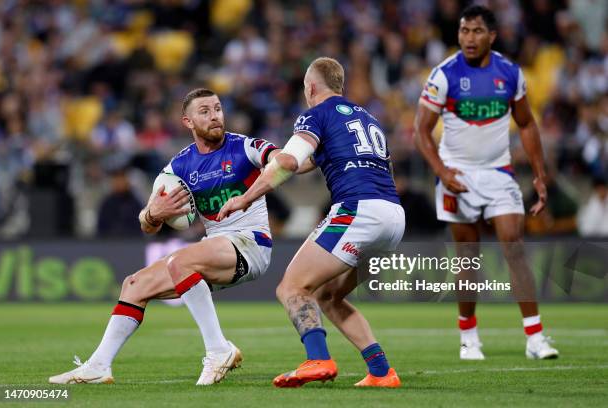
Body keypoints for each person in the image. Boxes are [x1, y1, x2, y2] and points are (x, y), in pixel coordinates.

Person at [49, 88, 280, 385]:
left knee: (180, 261)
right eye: (205, 112)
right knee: (133, 285)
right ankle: (98, 366)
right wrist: (153, 213)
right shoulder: (180, 166)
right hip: (215, 247)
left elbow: (280, 160)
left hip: (251, 243)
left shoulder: (244, 148)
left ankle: (218, 350)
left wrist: (274, 167)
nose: (215, 116)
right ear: (188, 121)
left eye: (218, 109)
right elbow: (148, 225)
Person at [218, 57, 406, 388]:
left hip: (358, 209)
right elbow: (299, 161)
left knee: (292, 287)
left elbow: (289, 162)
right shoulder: (367, 118)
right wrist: (266, 157)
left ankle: (317, 359)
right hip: (393, 217)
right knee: (329, 296)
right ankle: (381, 372)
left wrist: (244, 198)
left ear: (311, 87)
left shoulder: (315, 114)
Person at [414, 5, 558, 360]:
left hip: (498, 173)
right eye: (464, 31)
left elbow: (526, 124)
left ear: (492, 35)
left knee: (514, 245)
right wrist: (443, 172)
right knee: (468, 257)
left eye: (476, 31)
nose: (469, 38)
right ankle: (469, 336)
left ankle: (535, 337)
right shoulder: (443, 75)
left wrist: (539, 174)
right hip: (457, 174)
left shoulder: (509, 73)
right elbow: (420, 130)